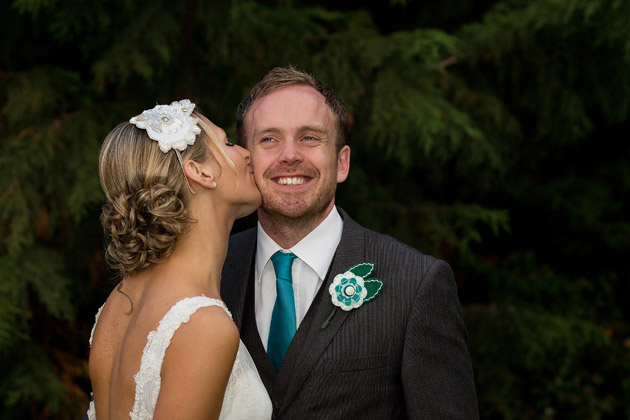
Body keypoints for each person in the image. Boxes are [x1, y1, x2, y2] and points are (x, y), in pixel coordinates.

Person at [220, 67, 480, 419]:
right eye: (269, 139)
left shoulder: (416, 284)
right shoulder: (212, 270)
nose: (290, 155)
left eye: (310, 138)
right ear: (246, 162)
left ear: (341, 163)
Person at [87, 100, 272, 419]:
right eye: (227, 143)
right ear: (199, 171)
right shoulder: (203, 325)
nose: (246, 153)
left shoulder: (119, 303)